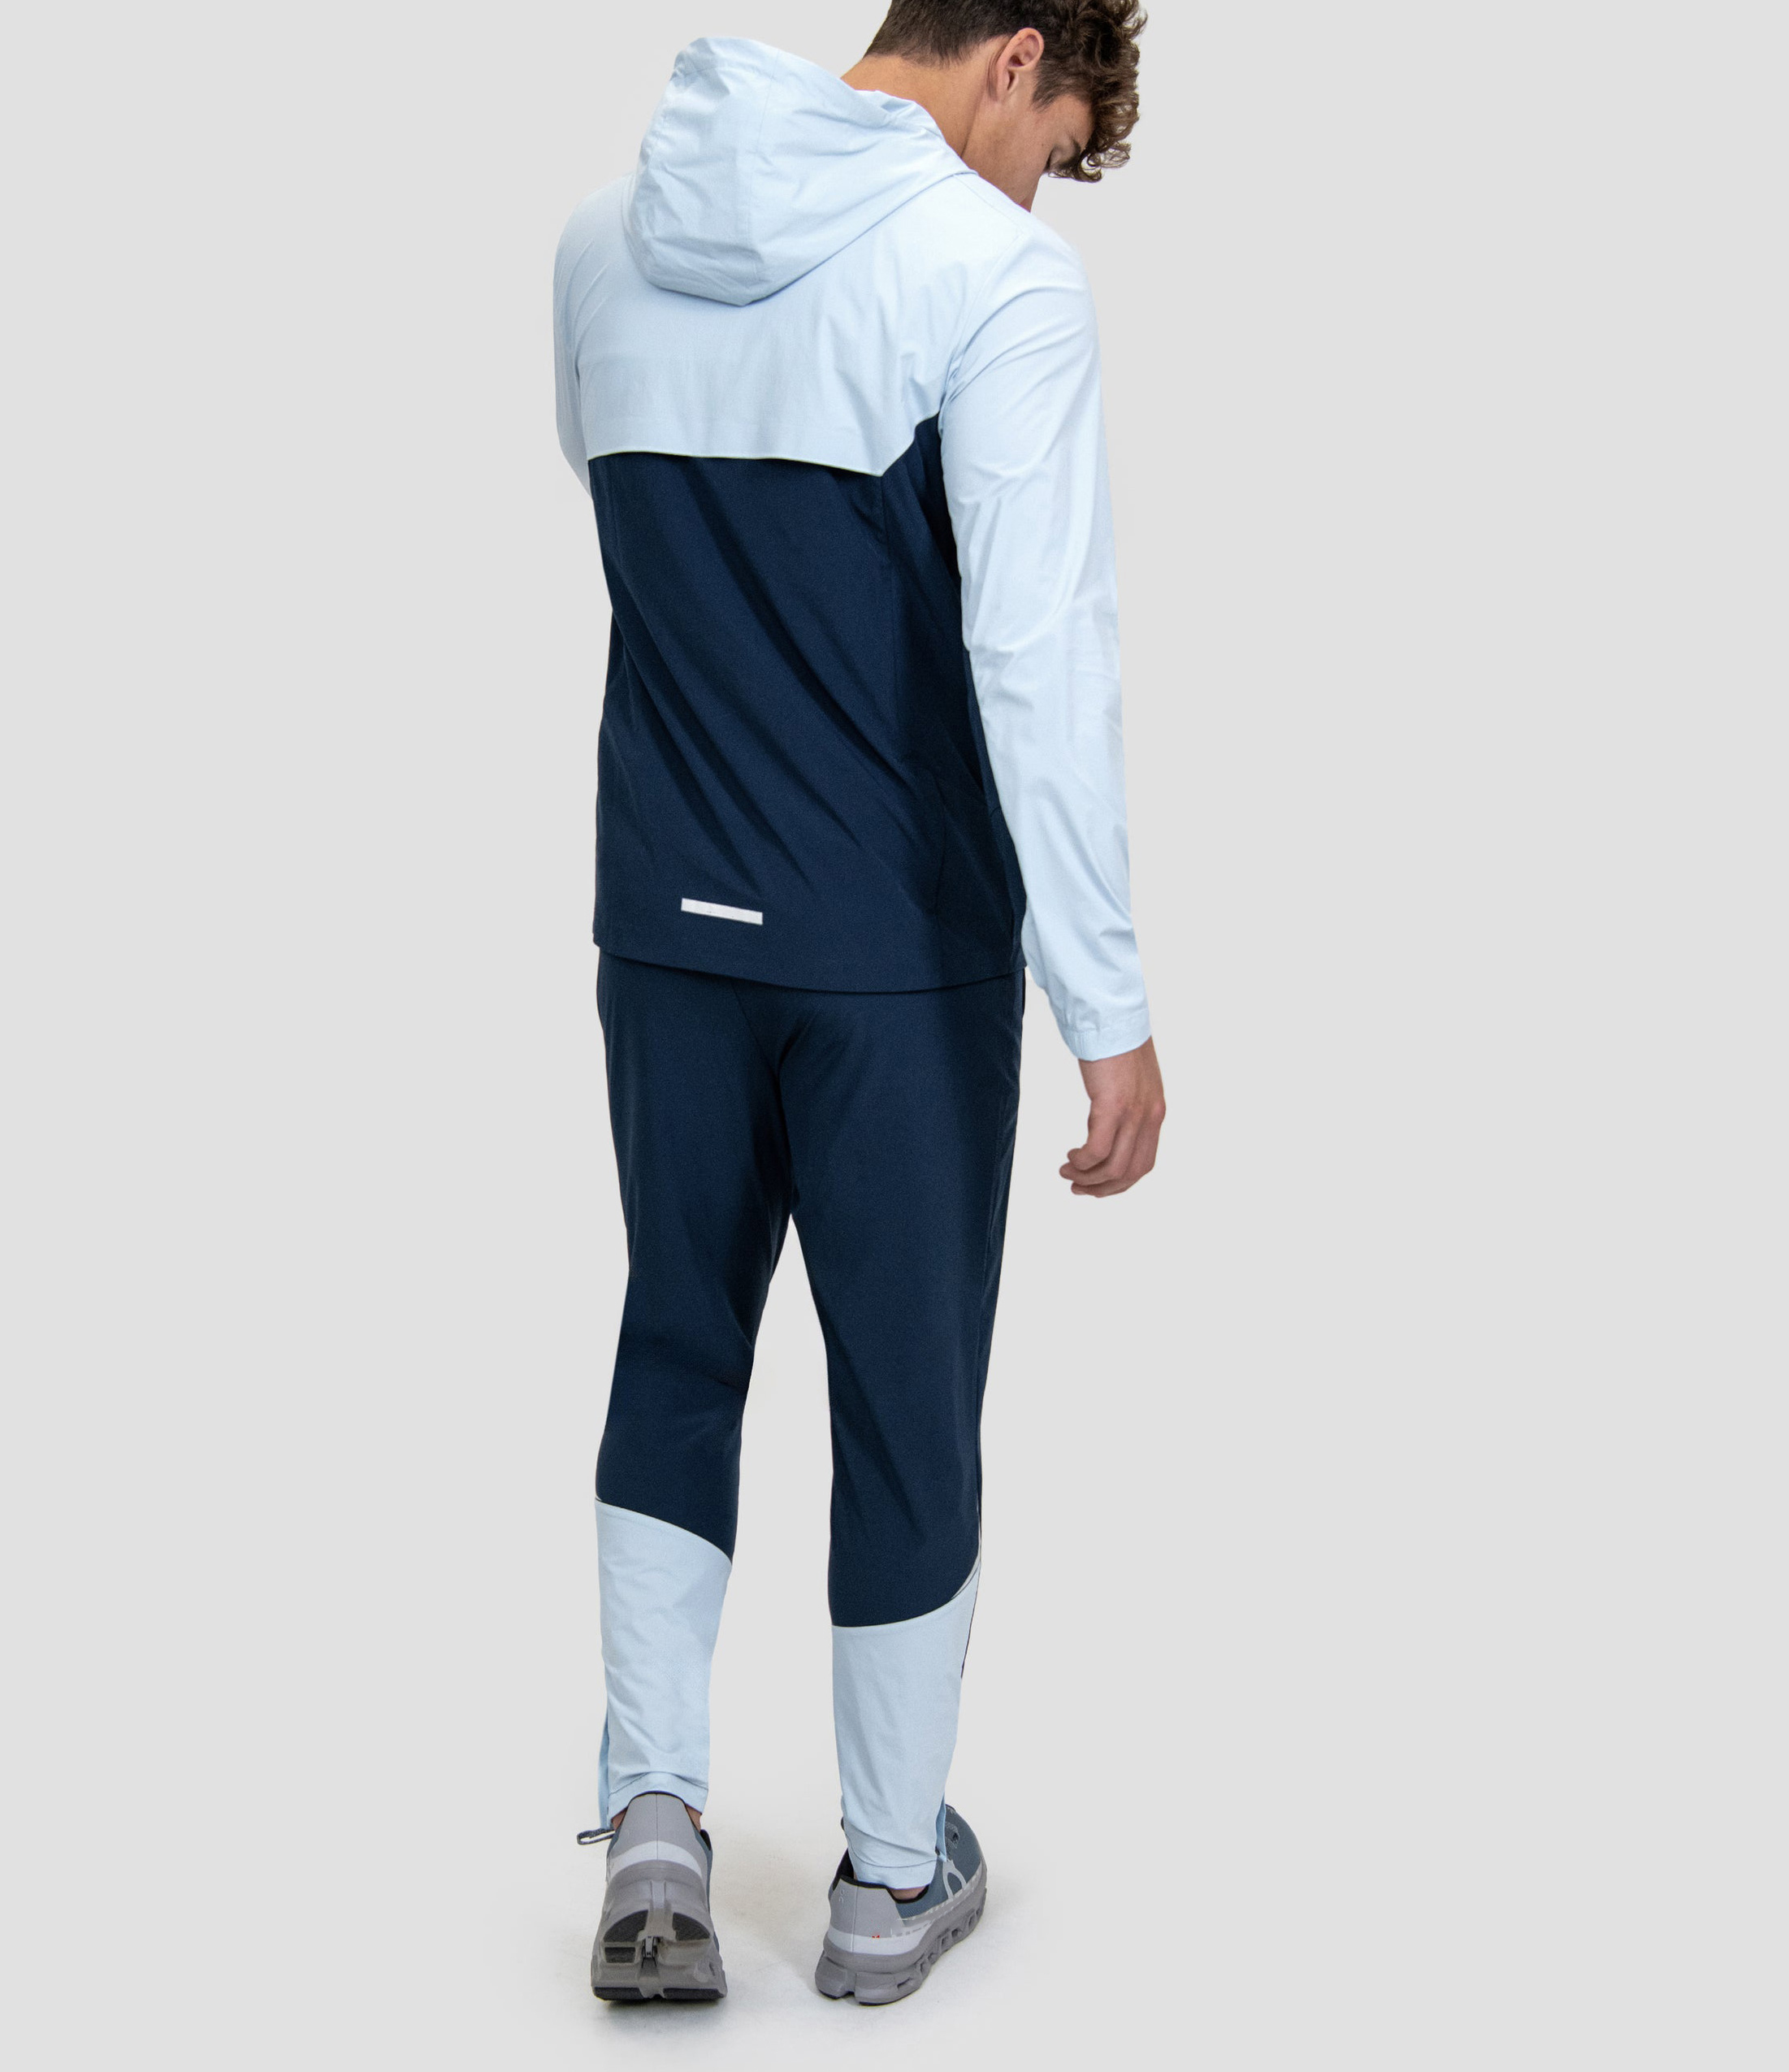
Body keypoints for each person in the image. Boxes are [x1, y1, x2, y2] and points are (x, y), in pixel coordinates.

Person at [552, 0, 1160, 2007]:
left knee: (676, 1340)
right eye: (1051, 147)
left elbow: (633, 533)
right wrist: (1107, 1002)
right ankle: (890, 1881)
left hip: (664, 919)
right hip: (892, 948)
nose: (1036, 193)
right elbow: (1038, 650)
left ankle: (654, 1822)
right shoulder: (993, 280)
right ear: (1018, 60)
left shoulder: (603, 243)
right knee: (906, 1403)